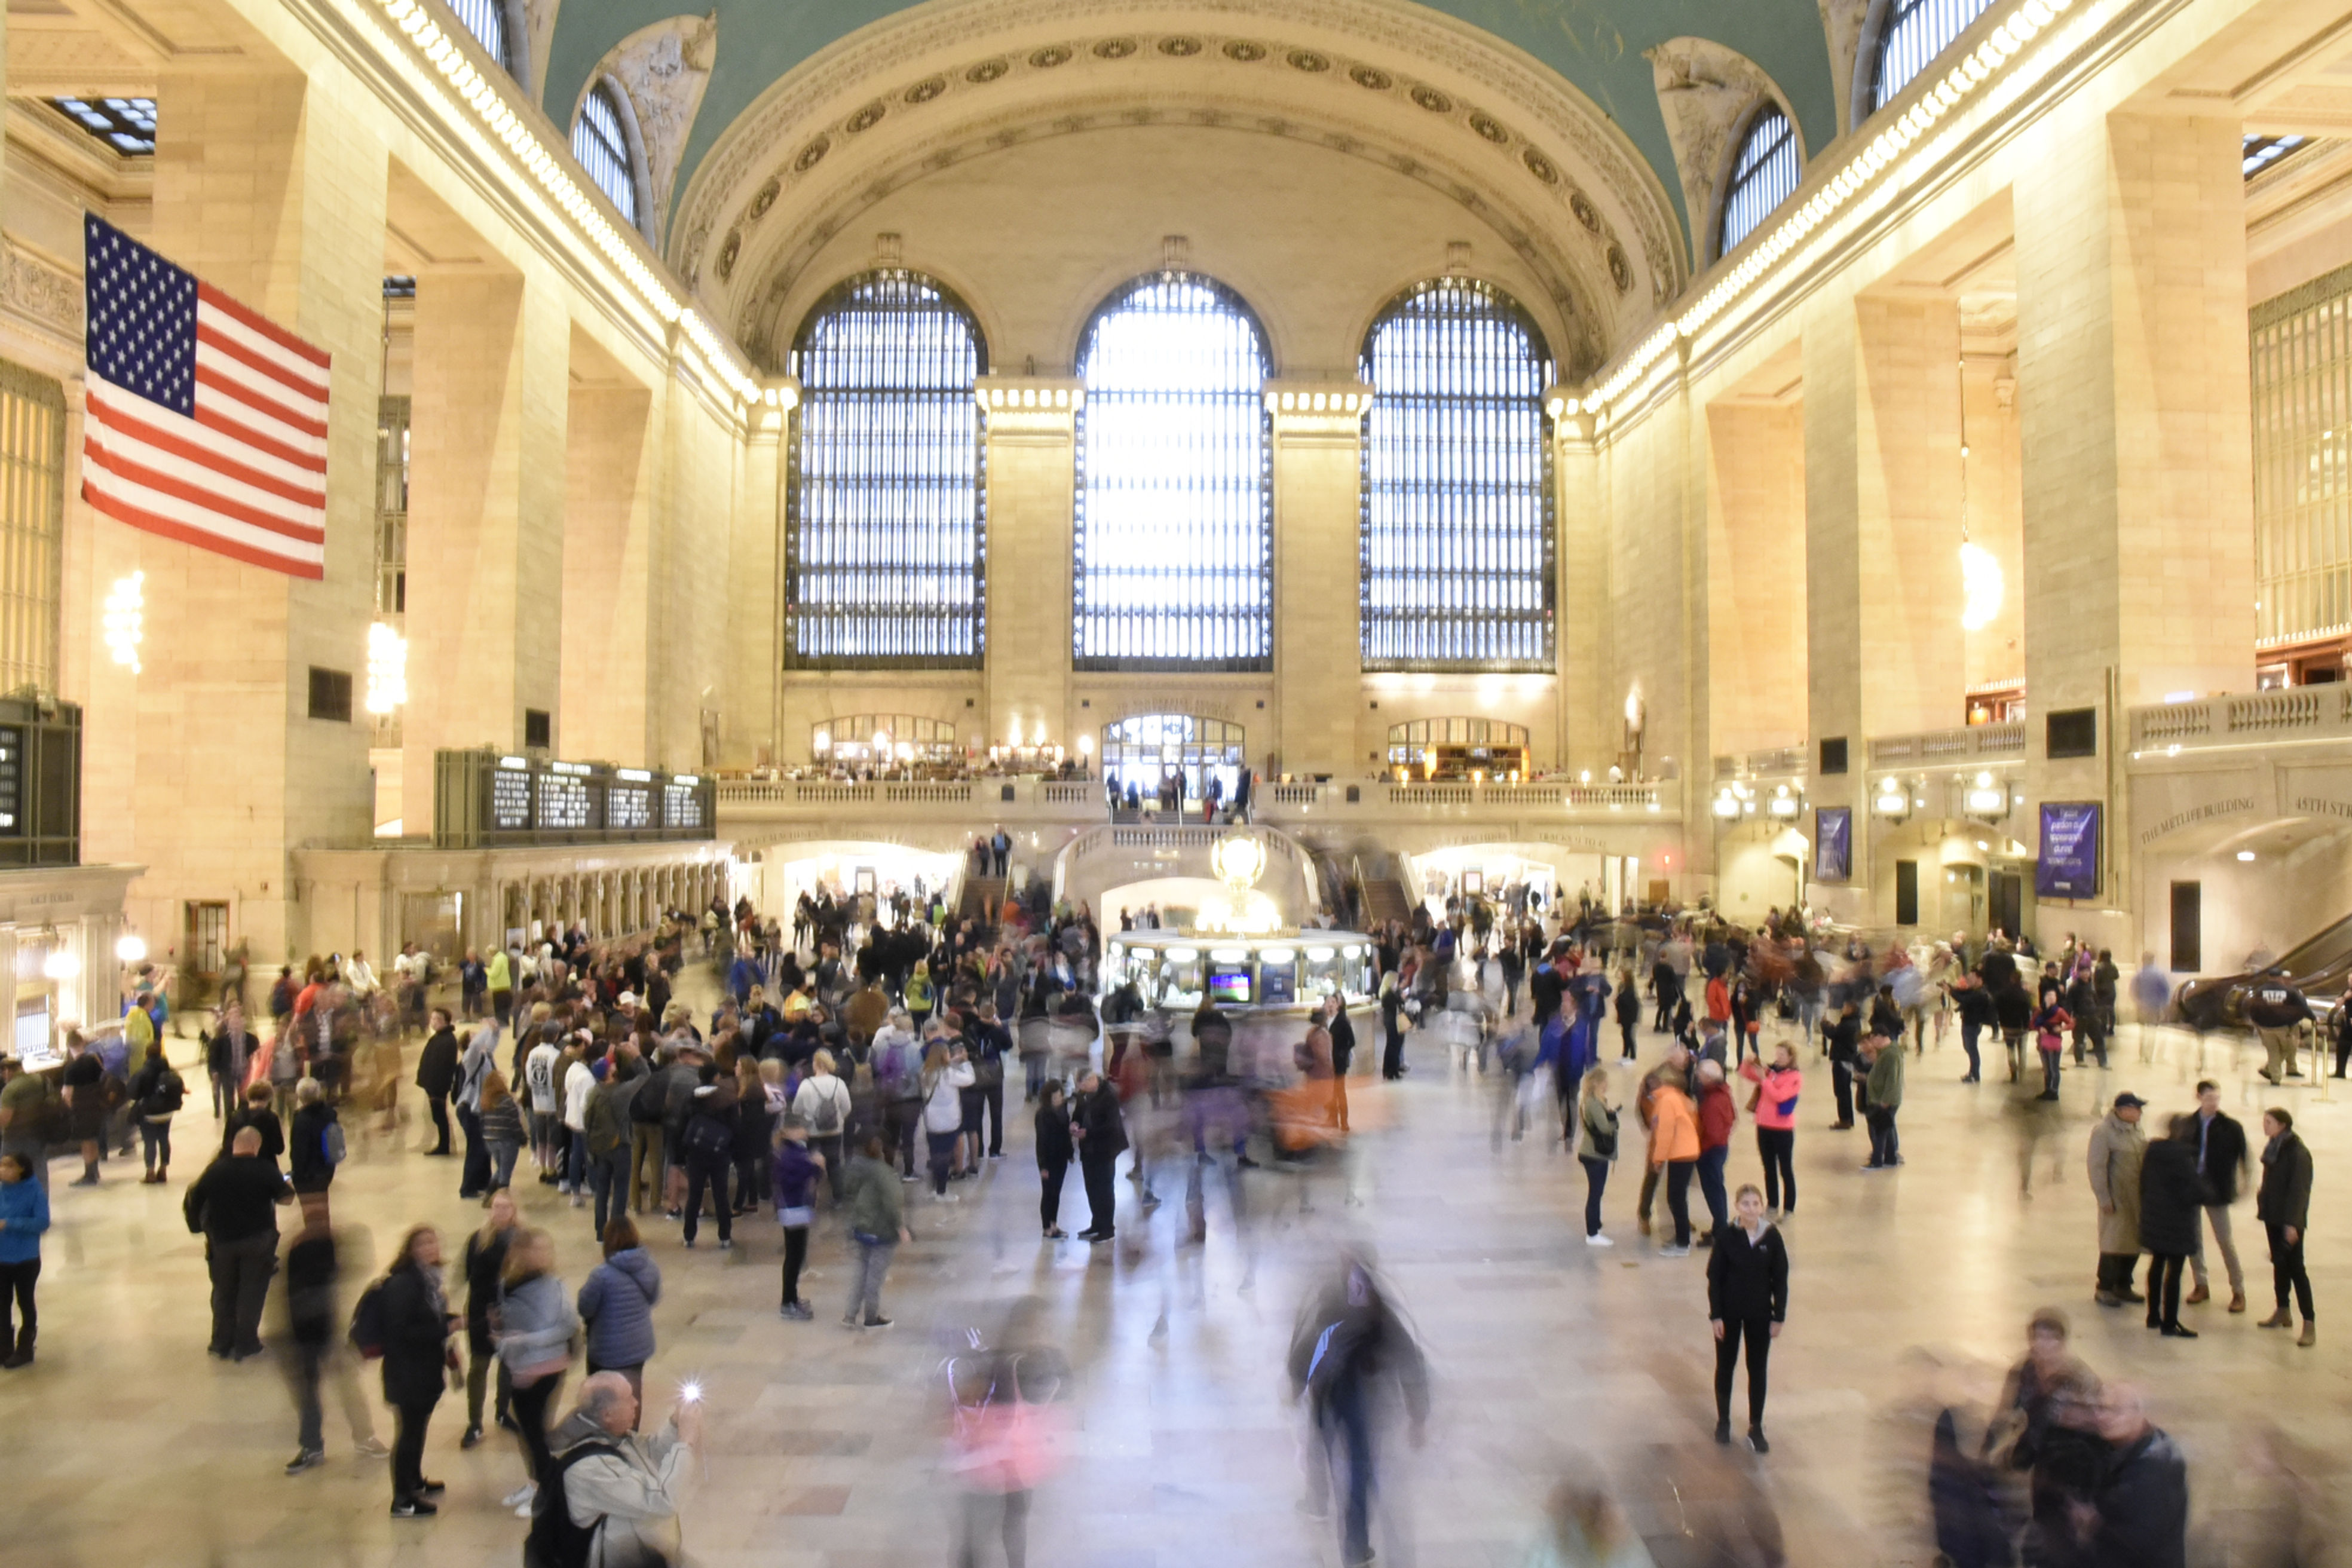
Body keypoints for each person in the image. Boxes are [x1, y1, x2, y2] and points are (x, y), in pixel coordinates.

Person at [1285, 1248, 1431, 1568]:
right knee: (1358, 1473)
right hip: (1362, 1398)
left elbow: (1308, 1342)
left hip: (1332, 1392)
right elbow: (1410, 1358)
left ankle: (1319, 1503)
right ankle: (1355, 1547)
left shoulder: (1332, 1299)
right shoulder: (1378, 1308)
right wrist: (1418, 1415)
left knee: (1325, 1449)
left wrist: (1297, 1382)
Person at [538, 1371, 701, 1567]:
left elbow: (650, 1453)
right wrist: (686, 1443)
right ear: (607, 1414)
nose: (636, 1403)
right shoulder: (590, 1468)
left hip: (643, 1555)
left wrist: (675, 1425)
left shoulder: (608, 1434)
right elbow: (662, 1501)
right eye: (628, 1399)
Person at [281, 1213, 385, 1473]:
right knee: (308, 1394)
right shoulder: (295, 1249)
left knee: (348, 1388)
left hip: (331, 1333)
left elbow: (357, 1265)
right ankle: (312, 1446)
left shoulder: (336, 1244)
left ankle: (364, 1437)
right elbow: (282, 1295)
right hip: (302, 1335)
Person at [185, 1125, 293, 1359]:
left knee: (224, 1290)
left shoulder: (215, 1171)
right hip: (257, 1240)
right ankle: (247, 1342)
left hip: (222, 1241)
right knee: (251, 1291)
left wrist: (200, 1227)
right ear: (256, 1146)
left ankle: (221, 1341)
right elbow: (287, 1198)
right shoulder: (265, 1169)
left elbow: (196, 1197)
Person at [378, 1224, 460, 1517]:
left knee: (418, 1428)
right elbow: (401, 1331)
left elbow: (426, 1316)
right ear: (411, 1250)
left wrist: (449, 1320)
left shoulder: (428, 1281)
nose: (431, 1249)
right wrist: (444, 1327)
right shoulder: (405, 1283)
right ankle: (402, 1499)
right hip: (407, 1372)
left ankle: (414, 1481)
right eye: (424, 1244)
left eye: (434, 1243)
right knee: (408, 1434)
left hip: (424, 1369)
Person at [496, 1227, 579, 1516]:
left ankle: (549, 1494)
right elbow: (506, 1322)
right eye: (536, 1249)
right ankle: (536, 1485)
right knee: (527, 1431)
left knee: (536, 1434)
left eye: (547, 1249)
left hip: (546, 1368)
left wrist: (525, 1341)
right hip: (520, 1370)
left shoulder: (554, 1286)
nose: (543, 1255)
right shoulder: (508, 1283)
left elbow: (568, 1326)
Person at [1707, 1184, 1787, 1454]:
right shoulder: (1727, 1237)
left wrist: (1779, 1316)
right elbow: (1714, 1278)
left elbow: (1781, 1279)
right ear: (1737, 1206)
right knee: (1726, 1366)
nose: (1751, 1209)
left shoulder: (1772, 1238)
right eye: (1746, 1204)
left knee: (1758, 1368)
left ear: (1762, 1206)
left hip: (1760, 1314)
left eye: (1755, 1203)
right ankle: (1724, 1421)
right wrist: (1716, 1315)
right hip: (1730, 1313)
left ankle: (1756, 1426)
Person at [2088, 1385, 2188, 1568]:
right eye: (2100, 1408)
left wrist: (2092, 1523)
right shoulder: (2120, 1448)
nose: (2102, 1417)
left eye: (2115, 1410)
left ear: (2140, 1413)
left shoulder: (2155, 1466)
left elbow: (2140, 1540)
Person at [578, 1214, 660, 1422]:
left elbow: (585, 1307)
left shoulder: (601, 1275)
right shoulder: (649, 1267)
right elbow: (653, 1298)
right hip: (638, 1346)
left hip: (607, 1349)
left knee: (602, 1399)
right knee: (632, 1395)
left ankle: (607, 1440)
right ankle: (631, 1439)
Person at [2136, 1114, 2208, 1337]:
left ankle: (2153, 1316)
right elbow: (2194, 1189)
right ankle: (2170, 1322)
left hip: (2155, 1218)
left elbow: (2143, 1183)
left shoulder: (2153, 1151)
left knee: (2157, 1265)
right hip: (2177, 1222)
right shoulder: (2183, 1157)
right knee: (2174, 1273)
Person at [460, 1189, 518, 1447]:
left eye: (506, 1207)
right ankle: (475, 1422)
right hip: (481, 1311)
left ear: (514, 1211)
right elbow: (469, 1275)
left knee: (507, 1366)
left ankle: (503, 1411)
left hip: (510, 1312)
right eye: (496, 1207)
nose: (500, 1212)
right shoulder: (478, 1239)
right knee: (479, 1367)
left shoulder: (520, 1240)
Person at [2184, 1079, 2247, 1313]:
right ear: (2199, 1097)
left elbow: (2244, 1157)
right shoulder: (2189, 1124)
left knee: (2225, 1240)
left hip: (2217, 1189)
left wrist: (2243, 1183)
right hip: (2192, 1188)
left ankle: (2238, 1289)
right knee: (2194, 1240)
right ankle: (2201, 1284)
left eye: (2217, 1098)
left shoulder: (2231, 1127)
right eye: (2209, 1098)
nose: (2214, 1103)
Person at [2255, 1106, 2316, 1346]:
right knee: (2279, 1264)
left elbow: (2299, 1191)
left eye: (2269, 1122)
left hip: (2289, 1220)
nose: (2265, 1126)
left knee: (2296, 1269)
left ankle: (2309, 1322)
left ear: (2282, 1125)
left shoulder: (2298, 1154)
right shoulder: (2274, 1146)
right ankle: (2283, 1309)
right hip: (2273, 1215)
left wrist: (2293, 1224)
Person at [842, 1132, 911, 1330]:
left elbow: (848, 1190)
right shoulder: (883, 1173)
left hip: (861, 1226)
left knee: (861, 1272)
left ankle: (850, 1315)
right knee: (875, 1277)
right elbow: (892, 1203)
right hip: (881, 1231)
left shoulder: (854, 1168)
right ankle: (871, 1317)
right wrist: (901, 1227)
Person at [2087, 1092, 2147, 1307]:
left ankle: (2124, 1285)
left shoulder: (2136, 1131)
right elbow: (2097, 1167)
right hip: (2116, 1199)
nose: (2140, 1113)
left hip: (2136, 1199)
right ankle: (2105, 1287)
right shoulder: (2103, 1132)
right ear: (2123, 1111)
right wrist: (2104, 1197)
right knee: (2112, 1244)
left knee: (2132, 1244)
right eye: (2136, 1109)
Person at [1739, 1041, 1801, 1217]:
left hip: (1782, 1128)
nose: (1778, 1058)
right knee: (1769, 1167)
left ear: (1790, 1058)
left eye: (1782, 1055)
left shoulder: (1794, 1077)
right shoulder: (1771, 1072)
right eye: (1777, 1054)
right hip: (1764, 1125)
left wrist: (1765, 1080)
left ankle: (1789, 1207)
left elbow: (1779, 1096)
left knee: (1785, 1168)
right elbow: (1746, 1074)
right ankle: (1772, 1203)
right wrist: (1748, 1062)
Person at [772, 1116, 823, 1319]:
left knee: (798, 1255)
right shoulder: (787, 1154)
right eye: (802, 1128)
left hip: (799, 1207)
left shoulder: (796, 1150)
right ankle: (788, 1302)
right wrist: (816, 1166)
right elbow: (797, 1177)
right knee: (794, 1257)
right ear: (789, 1131)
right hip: (793, 1209)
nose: (805, 1132)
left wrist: (814, 1167)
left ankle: (793, 1297)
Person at [1647, 1064, 1700, 1257]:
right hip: (1686, 1150)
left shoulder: (1667, 1101)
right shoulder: (1677, 1097)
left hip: (1681, 1152)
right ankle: (1681, 1238)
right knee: (1676, 1197)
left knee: (1676, 1198)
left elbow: (1665, 1132)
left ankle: (1682, 1242)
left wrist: (1658, 1158)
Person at [0, 1152, 47, 1367]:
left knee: (25, 1301)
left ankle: (26, 1347)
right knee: (2, 1303)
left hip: (26, 1258)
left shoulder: (34, 1192)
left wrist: (10, 1223)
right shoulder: (2, 1191)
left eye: (8, 1166)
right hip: (2, 1258)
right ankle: (4, 1347)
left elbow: (42, 1223)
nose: (2, 1170)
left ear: (20, 1169)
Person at [791, 1048, 852, 1203]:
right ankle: (839, 1198)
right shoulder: (839, 1083)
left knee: (812, 1164)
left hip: (813, 1132)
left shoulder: (806, 1085)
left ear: (815, 1064)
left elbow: (796, 1109)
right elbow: (847, 1107)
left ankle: (810, 1198)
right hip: (835, 1130)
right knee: (835, 1163)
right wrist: (839, 1119)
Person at [1074, 1068, 1126, 1244]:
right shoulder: (1083, 1096)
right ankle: (1096, 1223)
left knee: (1104, 1188)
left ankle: (1107, 1228)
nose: (1083, 1089)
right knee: (1091, 1187)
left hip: (1105, 1149)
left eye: (1085, 1085)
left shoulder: (1108, 1097)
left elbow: (1112, 1126)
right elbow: (1079, 1114)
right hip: (1088, 1150)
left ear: (1093, 1080)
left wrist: (1087, 1133)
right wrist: (1075, 1123)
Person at [922, 1043, 975, 1202]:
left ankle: (934, 1189)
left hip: (931, 1120)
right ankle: (942, 1192)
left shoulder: (925, 1073)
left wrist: (952, 1061)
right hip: (948, 1120)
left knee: (935, 1154)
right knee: (945, 1157)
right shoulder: (949, 1074)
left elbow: (942, 1069)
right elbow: (969, 1079)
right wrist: (965, 1062)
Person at [127, 1039, 186, 1184]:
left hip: (149, 1113)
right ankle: (164, 1170)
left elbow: (133, 1093)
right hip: (167, 1112)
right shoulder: (169, 1070)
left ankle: (150, 1172)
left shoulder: (143, 1072)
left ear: (146, 1055)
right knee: (164, 1139)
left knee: (150, 1142)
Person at [1692, 1059, 1736, 1241]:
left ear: (1709, 1077)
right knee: (1716, 1189)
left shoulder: (1713, 1101)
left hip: (1711, 1151)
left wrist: (1699, 1147)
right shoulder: (1723, 1094)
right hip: (1719, 1149)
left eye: (1700, 1075)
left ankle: (1721, 1230)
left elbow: (1713, 1132)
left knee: (1714, 1190)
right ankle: (1719, 1226)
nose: (1698, 1077)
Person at [286, 1077, 342, 1220]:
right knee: (324, 1207)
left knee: (311, 1214)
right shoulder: (330, 1113)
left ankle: (316, 1238)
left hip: (308, 1175)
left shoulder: (301, 1120)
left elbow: (299, 1152)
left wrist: (296, 1175)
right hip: (327, 1170)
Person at [1576, 1065, 1618, 1246]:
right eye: (1605, 1081)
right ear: (1598, 1083)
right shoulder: (1594, 1103)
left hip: (1592, 1152)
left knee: (1597, 1192)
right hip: (1594, 1154)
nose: (1607, 1084)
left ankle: (1596, 1224)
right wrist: (1614, 1120)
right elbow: (1604, 1128)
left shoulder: (1594, 1101)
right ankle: (1592, 1233)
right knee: (1595, 1193)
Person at [414, 1009, 459, 1156]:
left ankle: (444, 1146)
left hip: (438, 1086)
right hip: (433, 1085)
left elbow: (443, 1066)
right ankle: (443, 1144)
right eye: (432, 1018)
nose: (433, 1022)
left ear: (445, 1021)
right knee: (437, 1116)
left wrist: (436, 1086)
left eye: (436, 1019)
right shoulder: (440, 1038)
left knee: (440, 1116)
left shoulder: (447, 1040)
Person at [1035, 1079, 1074, 1239]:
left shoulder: (1063, 1111)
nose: (1058, 1100)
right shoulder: (1043, 1115)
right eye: (1054, 1097)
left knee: (1056, 1193)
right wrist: (1043, 1166)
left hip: (1061, 1158)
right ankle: (1046, 1227)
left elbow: (1066, 1135)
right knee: (1048, 1194)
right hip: (1049, 1160)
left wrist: (1070, 1153)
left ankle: (1054, 1224)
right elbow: (1041, 1141)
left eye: (1059, 1096)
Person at [1861, 1032, 1904, 1171]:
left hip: (1886, 1100)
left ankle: (1877, 1161)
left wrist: (1886, 1100)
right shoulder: (1885, 1053)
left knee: (1880, 1130)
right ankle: (1891, 1158)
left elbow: (1892, 1079)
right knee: (1887, 1127)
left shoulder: (1890, 1055)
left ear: (1881, 1037)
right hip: (1883, 1098)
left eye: (1873, 1039)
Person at [479, 1070, 526, 1195]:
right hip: (507, 1141)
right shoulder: (507, 1101)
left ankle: (490, 1195)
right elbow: (514, 1124)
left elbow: (482, 1122)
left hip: (490, 1141)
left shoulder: (485, 1102)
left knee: (501, 1169)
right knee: (505, 1175)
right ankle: (502, 1201)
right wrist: (523, 1138)